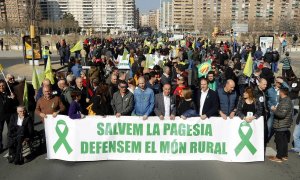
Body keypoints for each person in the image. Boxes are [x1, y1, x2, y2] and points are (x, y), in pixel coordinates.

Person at [269, 87, 293, 163]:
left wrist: (274, 110)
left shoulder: (285, 101)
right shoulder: (285, 100)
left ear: (282, 92)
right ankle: (284, 155)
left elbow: (282, 114)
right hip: (283, 124)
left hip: (281, 124)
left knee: (280, 141)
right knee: (284, 141)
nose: (278, 93)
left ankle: (279, 157)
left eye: (279, 91)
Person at [266, 77, 289, 141]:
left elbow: (289, 89)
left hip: (280, 111)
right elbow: (267, 100)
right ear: (275, 82)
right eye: (278, 82)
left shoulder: (283, 90)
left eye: (280, 82)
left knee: (280, 127)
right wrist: (271, 106)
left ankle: (278, 139)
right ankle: (266, 139)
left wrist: (282, 82)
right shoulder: (270, 90)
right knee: (269, 126)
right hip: (272, 110)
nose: (279, 84)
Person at [0, 80, 17, 152]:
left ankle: (11, 144)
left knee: (11, 130)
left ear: (5, 85)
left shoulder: (10, 92)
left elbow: (15, 103)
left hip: (9, 114)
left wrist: (13, 98)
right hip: (0, 115)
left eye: (3, 85)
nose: (1, 87)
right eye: (0, 86)